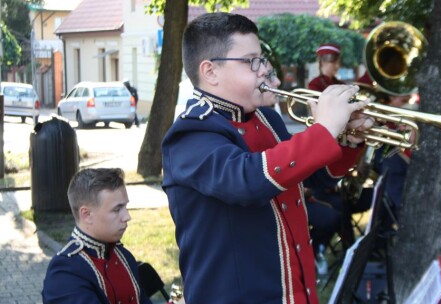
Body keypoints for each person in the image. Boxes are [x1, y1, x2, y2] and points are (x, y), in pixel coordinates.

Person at [161, 12, 373, 303]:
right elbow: (247, 180)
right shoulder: (191, 132)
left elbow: (314, 175)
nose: (265, 69)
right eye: (252, 61)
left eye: (262, 59)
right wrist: (324, 130)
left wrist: (348, 141)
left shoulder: (267, 119)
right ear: (210, 72)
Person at [42, 168, 152, 304]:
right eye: (117, 209)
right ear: (86, 215)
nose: (127, 216)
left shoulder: (123, 256)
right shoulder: (65, 272)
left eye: (125, 207)